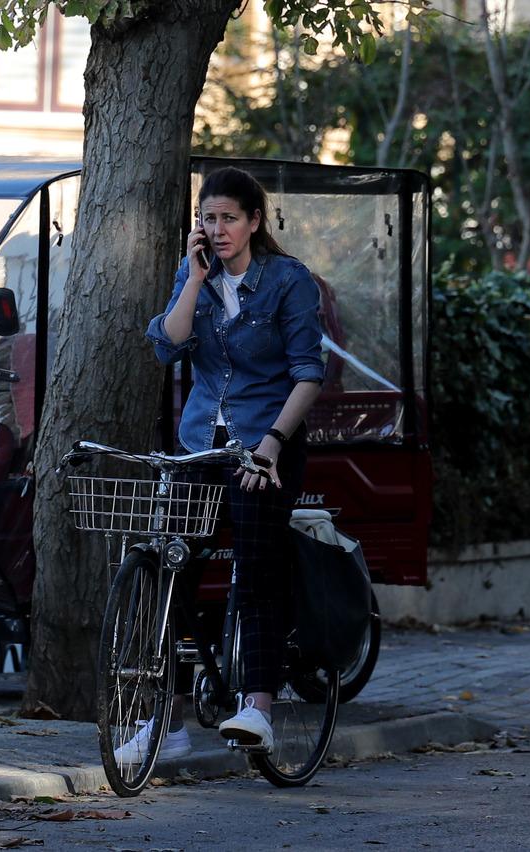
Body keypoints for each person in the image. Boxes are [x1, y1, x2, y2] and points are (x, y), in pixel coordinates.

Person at [120, 166, 324, 763]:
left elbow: (308, 374)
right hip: (201, 445)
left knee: (257, 573)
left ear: (255, 221)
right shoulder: (197, 273)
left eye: (229, 218)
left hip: (266, 446)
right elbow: (167, 343)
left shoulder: (288, 281)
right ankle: (168, 722)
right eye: (208, 218)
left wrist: (272, 445)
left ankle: (258, 706)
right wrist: (193, 282)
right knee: (166, 572)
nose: (218, 228)